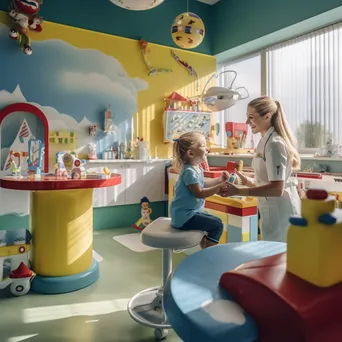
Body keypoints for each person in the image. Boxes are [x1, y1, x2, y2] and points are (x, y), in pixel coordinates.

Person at [220, 96, 301, 242]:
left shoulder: (275, 144)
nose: (246, 122)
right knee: (273, 254)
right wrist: (246, 181)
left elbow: (277, 189)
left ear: (267, 117)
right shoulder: (265, 141)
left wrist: (239, 191)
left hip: (281, 211)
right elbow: (266, 182)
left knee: (281, 256)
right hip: (270, 209)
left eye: (251, 117)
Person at [170, 131, 227, 249]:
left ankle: (204, 250)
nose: (208, 148)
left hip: (188, 214)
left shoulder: (196, 168)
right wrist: (217, 188)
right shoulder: (189, 172)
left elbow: (202, 184)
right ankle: (207, 255)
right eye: (203, 145)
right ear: (191, 153)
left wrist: (219, 180)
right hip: (184, 217)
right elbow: (199, 193)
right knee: (217, 225)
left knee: (213, 221)